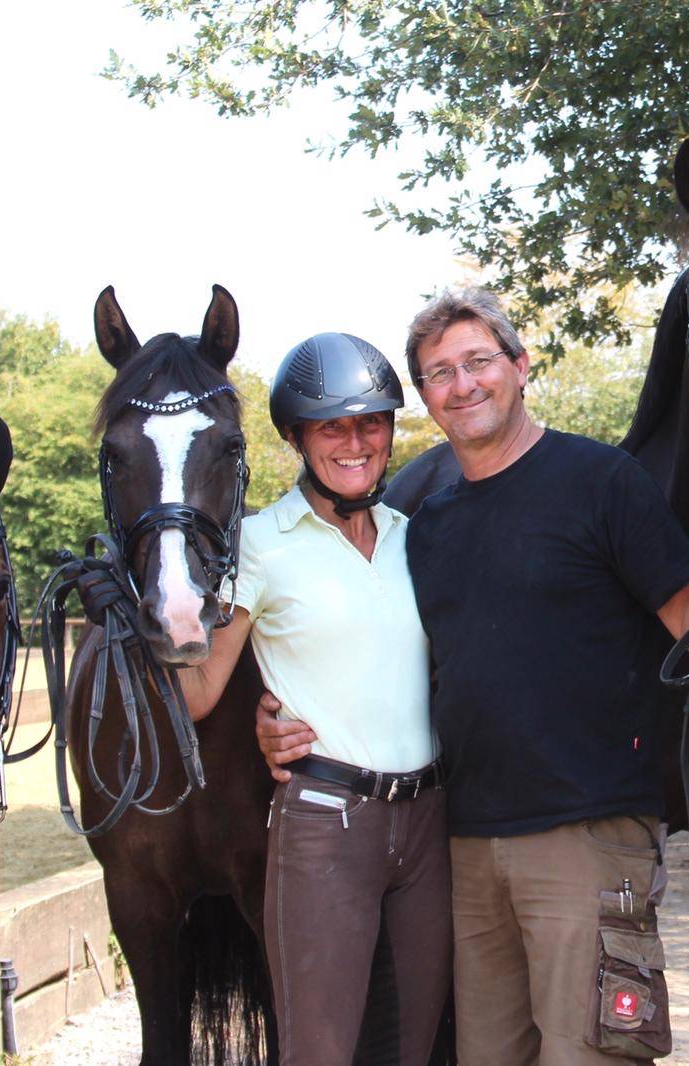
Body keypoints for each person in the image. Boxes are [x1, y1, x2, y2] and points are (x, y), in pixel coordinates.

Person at [258, 289, 689, 1064]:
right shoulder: (428, 524)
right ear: (424, 398)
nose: (462, 384)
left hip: (585, 836)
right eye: (438, 373)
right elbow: (370, 652)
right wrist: (276, 714)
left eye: (479, 362)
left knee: (589, 1053)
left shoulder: (603, 481)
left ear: (521, 368)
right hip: (466, 845)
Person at [163, 333, 450, 1065]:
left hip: (426, 826)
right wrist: (158, 624)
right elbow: (198, 693)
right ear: (296, 437)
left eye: (371, 423)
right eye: (332, 426)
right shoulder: (257, 544)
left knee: (412, 1050)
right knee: (319, 1053)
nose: (355, 443)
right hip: (327, 826)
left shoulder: (414, 539)